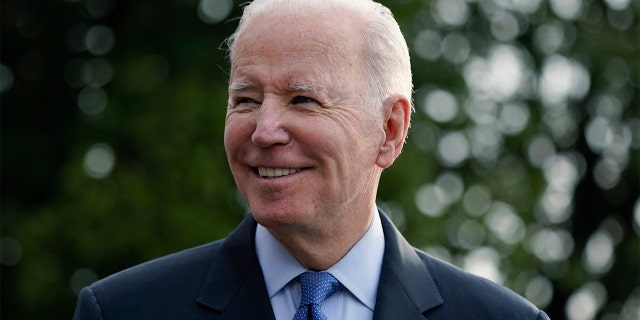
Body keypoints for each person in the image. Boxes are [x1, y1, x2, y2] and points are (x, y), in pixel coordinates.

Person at [73, 0, 550, 319]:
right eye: (245, 100)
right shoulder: (122, 311)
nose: (264, 131)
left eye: (303, 99)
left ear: (389, 131)